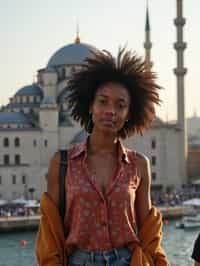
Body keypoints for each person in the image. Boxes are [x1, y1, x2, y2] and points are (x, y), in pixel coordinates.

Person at [36, 48, 169, 266]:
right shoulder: (62, 162)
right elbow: (50, 229)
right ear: (90, 105)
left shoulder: (138, 164)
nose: (111, 111)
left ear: (129, 114)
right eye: (103, 102)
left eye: (120, 105)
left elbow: (148, 231)